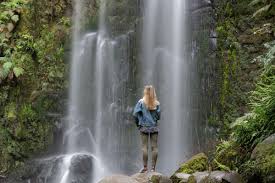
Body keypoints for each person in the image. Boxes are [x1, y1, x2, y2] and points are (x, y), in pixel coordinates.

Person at [133, 85, 161, 173]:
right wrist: (154, 119)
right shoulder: (157, 103)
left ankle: (145, 167)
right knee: (154, 147)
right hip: (153, 127)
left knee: (144, 147)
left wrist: (138, 123)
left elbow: (135, 114)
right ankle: (153, 168)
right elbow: (158, 116)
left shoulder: (141, 102)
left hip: (143, 126)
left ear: (145, 92)